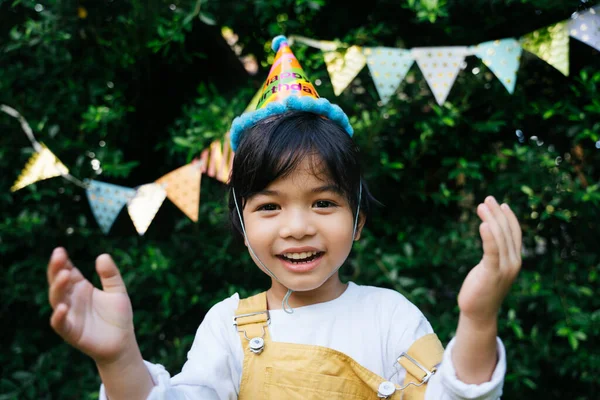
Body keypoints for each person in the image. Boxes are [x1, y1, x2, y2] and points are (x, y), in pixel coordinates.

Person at [47, 36, 522, 400]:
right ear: (242, 225)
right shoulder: (228, 327)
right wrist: (119, 359)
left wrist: (478, 319)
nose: (297, 226)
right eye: (270, 206)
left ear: (357, 221)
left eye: (323, 203)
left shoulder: (389, 316)